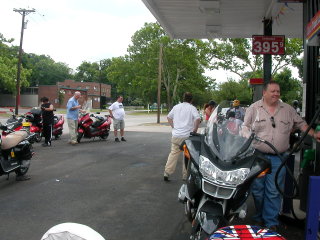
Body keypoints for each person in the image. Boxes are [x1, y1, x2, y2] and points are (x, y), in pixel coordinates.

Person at [242, 81, 320, 231]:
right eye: (273, 91)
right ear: (264, 93)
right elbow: (245, 126)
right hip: (258, 156)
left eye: (278, 91)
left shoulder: (288, 110)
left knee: (274, 190)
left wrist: (314, 134)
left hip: (279, 157)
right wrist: (246, 134)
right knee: (258, 190)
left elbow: (302, 125)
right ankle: (259, 216)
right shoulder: (254, 108)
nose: (276, 94)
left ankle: (270, 222)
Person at [164, 92, 200, 182]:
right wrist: (195, 130)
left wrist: (173, 126)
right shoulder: (192, 108)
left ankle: (167, 173)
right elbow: (198, 119)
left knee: (173, 154)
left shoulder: (176, 107)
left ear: (183, 98)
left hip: (176, 135)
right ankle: (185, 175)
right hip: (187, 136)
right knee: (187, 155)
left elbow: (169, 117)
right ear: (191, 100)